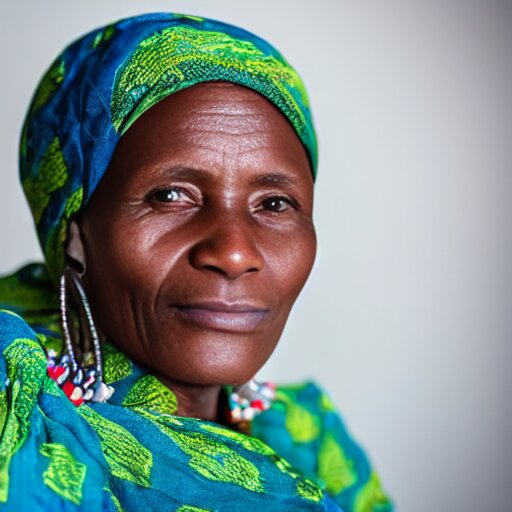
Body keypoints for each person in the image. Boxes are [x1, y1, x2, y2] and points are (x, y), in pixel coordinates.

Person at [0, 12, 392, 512]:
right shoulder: (19, 415)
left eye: (275, 203)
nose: (233, 253)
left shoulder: (312, 438)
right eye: (169, 195)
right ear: (74, 239)